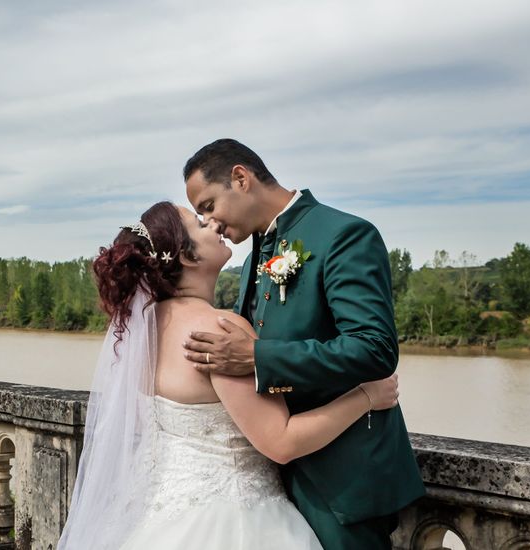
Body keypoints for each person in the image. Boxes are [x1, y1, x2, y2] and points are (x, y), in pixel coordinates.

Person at [57, 201, 401, 550]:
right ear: (187, 257)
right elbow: (280, 442)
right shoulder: (219, 329)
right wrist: (368, 396)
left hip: (161, 517)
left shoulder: (145, 331)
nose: (213, 224)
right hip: (238, 520)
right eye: (199, 223)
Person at [182, 138, 425, 549]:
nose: (211, 223)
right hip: (274, 480)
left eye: (208, 205)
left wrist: (258, 358)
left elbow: (375, 348)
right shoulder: (252, 259)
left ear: (240, 178)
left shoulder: (344, 234)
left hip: (344, 481)